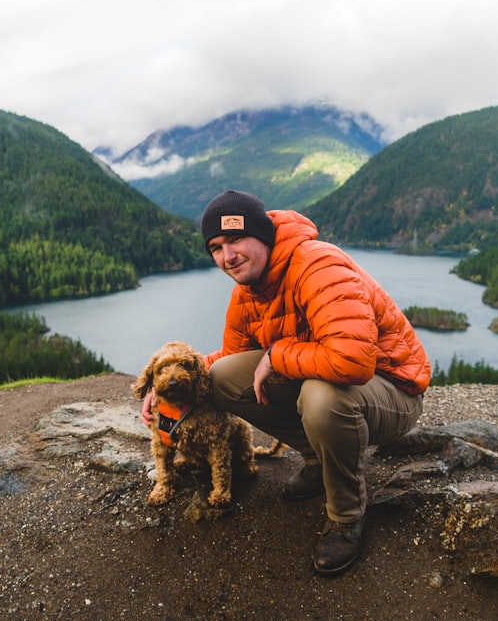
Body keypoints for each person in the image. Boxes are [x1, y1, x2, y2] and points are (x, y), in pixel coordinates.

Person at [142, 190, 431, 576]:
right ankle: (317, 459)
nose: (227, 256)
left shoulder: (317, 265)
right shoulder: (247, 292)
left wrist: (276, 356)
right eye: (216, 247)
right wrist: (165, 387)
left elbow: (353, 361)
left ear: (262, 235)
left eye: (235, 239)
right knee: (222, 379)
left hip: (392, 388)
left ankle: (346, 516)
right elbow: (229, 359)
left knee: (321, 397)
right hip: (332, 378)